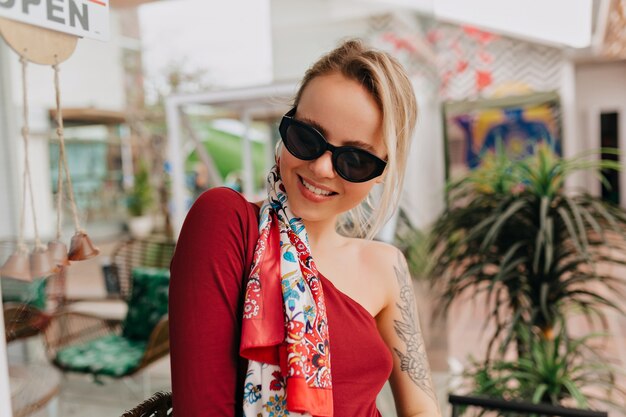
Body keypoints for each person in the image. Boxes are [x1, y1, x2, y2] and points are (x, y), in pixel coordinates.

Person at [169, 39, 441, 417]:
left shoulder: (388, 266)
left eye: (356, 160)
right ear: (287, 126)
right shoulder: (227, 222)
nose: (322, 169)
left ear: (382, 173)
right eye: (307, 137)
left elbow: (423, 409)